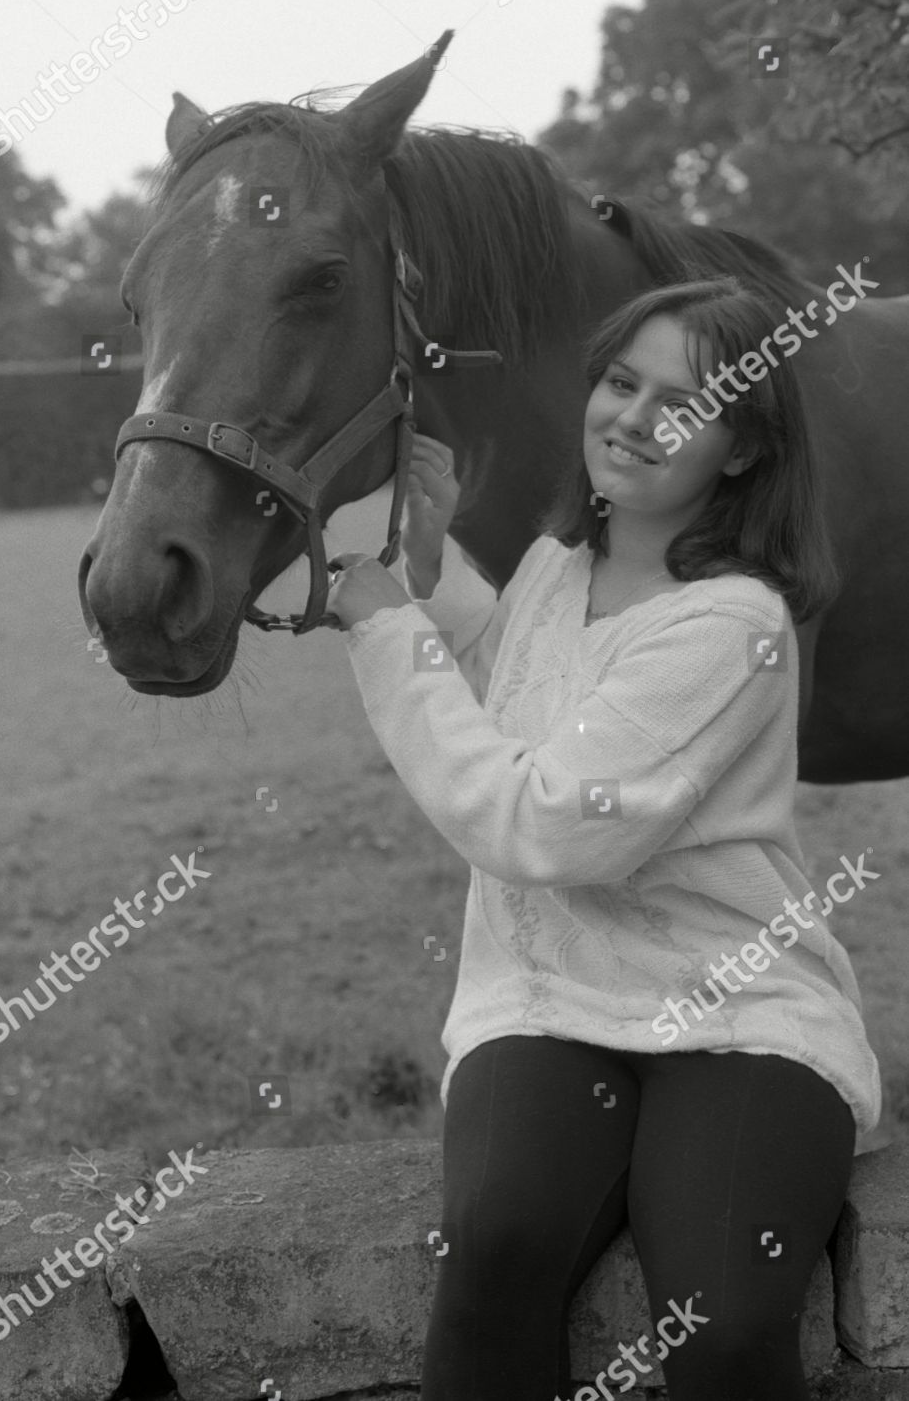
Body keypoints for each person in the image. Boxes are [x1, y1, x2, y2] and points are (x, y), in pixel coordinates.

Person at [323, 277, 881, 1401]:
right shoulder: (556, 569)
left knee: (722, 1319)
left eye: (679, 403)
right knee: (496, 1250)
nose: (630, 417)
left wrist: (384, 628)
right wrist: (435, 578)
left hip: (736, 1007)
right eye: (620, 382)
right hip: (546, 993)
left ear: (740, 449)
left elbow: (547, 824)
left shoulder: (734, 624)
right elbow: (533, 692)